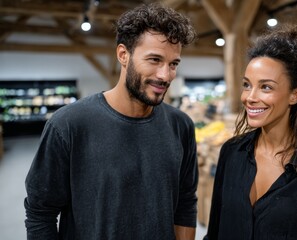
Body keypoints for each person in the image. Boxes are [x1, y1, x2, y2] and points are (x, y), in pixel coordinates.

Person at [24, 3, 198, 239]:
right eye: (154, 60)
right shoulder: (68, 125)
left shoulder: (181, 126)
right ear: (123, 55)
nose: (165, 75)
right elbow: (40, 214)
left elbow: (186, 204)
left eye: (173, 64)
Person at [205, 22, 297, 239]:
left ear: (295, 94)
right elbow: (214, 233)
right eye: (247, 84)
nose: (250, 97)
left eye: (266, 87)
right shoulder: (231, 152)